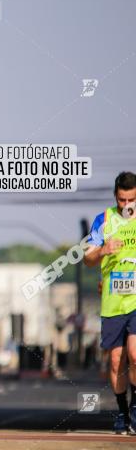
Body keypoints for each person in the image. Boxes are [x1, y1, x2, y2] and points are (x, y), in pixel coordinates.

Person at [84, 171, 136, 435]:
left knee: (135, 353)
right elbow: (87, 258)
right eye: (122, 200)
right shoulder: (103, 220)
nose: (126, 206)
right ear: (115, 196)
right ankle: (122, 413)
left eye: (131, 200)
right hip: (113, 301)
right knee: (117, 361)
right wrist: (103, 250)